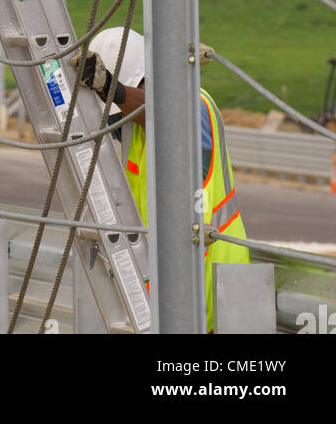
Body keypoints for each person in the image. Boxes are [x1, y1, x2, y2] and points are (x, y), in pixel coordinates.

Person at [73, 27, 251, 333]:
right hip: (176, 279)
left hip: (215, 279)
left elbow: (164, 109)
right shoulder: (133, 126)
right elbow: (139, 112)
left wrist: (111, 90)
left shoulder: (195, 104)